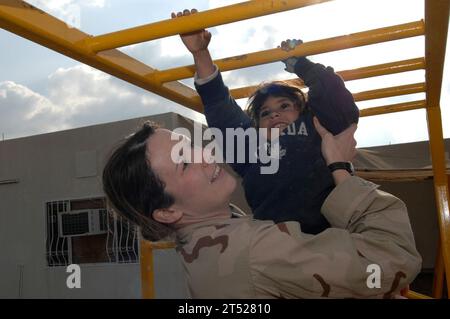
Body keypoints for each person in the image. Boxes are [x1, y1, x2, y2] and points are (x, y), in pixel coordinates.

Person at [102, 118, 421, 298]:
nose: (206, 155)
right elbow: (394, 257)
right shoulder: (255, 250)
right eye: (184, 163)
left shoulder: (199, 246)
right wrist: (341, 167)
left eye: (192, 147)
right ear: (168, 212)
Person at [172, 9, 360, 235]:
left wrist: (302, 64)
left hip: (334, 241)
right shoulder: (251, 150)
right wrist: (200, 53)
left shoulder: (318, 131)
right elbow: (219, 106)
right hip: (277, 250)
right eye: (265, 113)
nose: (274, 115)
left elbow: (336, 99)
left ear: (303, 113)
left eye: (284, 106)